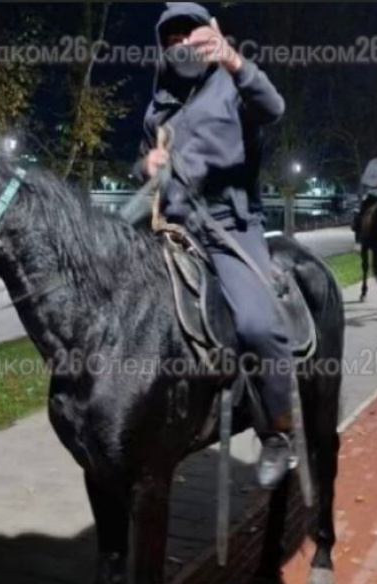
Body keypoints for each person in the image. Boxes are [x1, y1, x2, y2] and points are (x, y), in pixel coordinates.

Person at [137, 2, 294, 489]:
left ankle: (277, 431)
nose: (180, 44)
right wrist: (147, 164)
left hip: (229, 227)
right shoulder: (158, 108)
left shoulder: (231, 84)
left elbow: (274, 108)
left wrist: (233, 60)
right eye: (171, 37)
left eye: (190, 33)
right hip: (172, 230)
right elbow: (144, 164)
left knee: (256, 324)